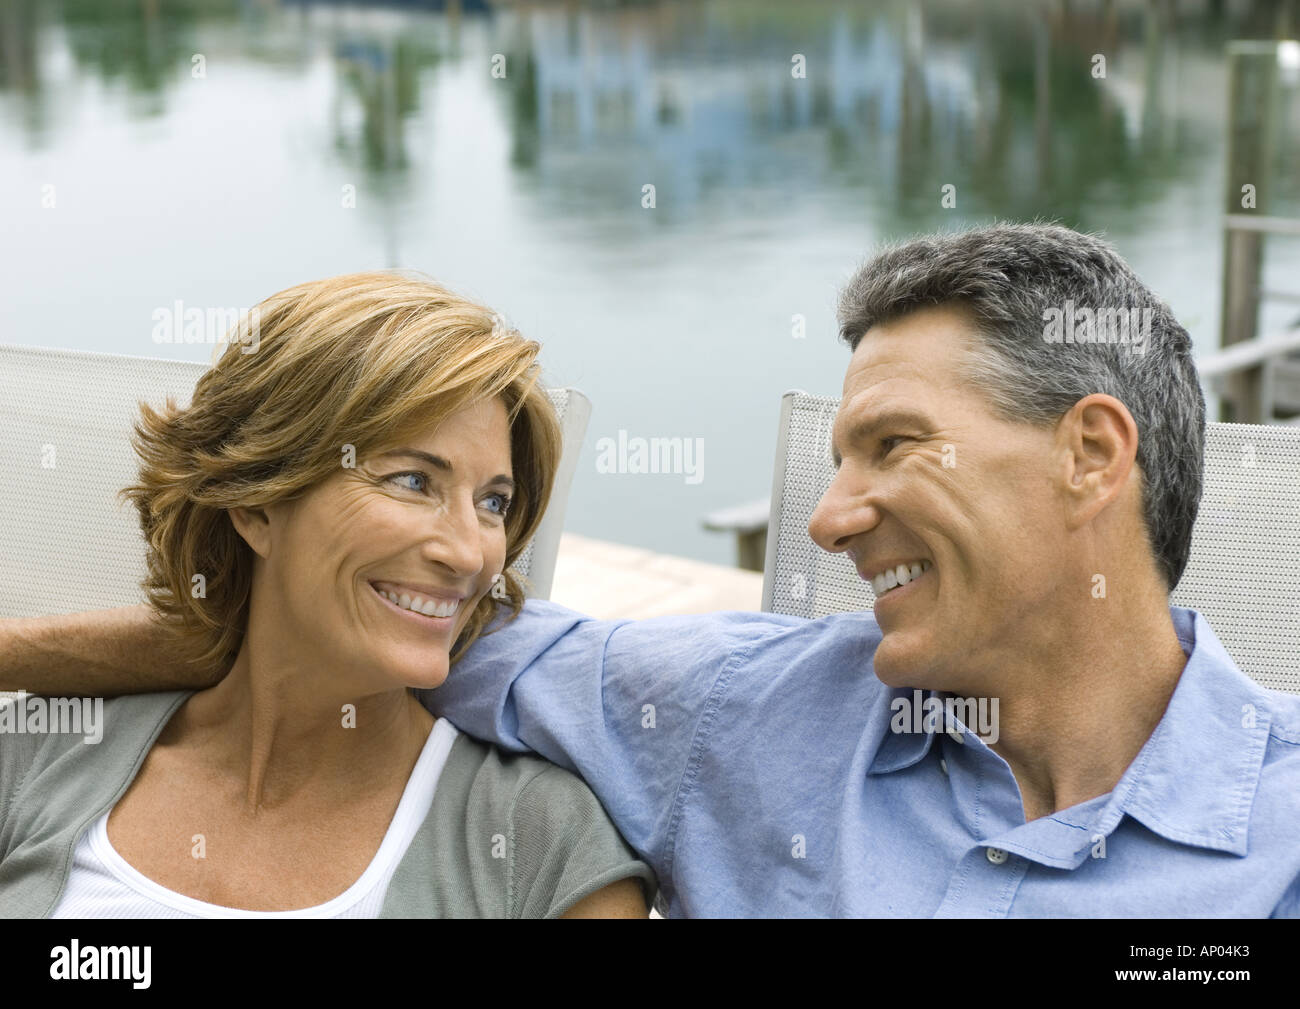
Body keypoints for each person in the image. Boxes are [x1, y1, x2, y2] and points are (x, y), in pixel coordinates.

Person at [7, 224, 1299, 917]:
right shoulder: (734, 714)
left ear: (1090, 455)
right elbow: (349, 629)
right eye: (838, 459)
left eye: (893, 448)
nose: (830, 521)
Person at [0, 272, 653, 918]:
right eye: (412, 480)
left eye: (493, 502)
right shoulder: (39, 755)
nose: (469, 552)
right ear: (257, 507)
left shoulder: (539, 847)